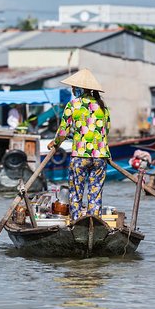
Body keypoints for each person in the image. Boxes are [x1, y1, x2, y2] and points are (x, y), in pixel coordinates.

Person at [48, 69, 111, 221]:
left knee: (76, 192)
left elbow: (63, 131)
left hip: (80, 156)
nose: (72, 89)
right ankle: (93, 222)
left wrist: (55, 143)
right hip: (100, 156)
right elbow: (106, 130)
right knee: (95, 194)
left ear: (80, 89)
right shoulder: (102, 106)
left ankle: (76, 221)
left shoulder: (73, 105)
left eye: (74, 87)